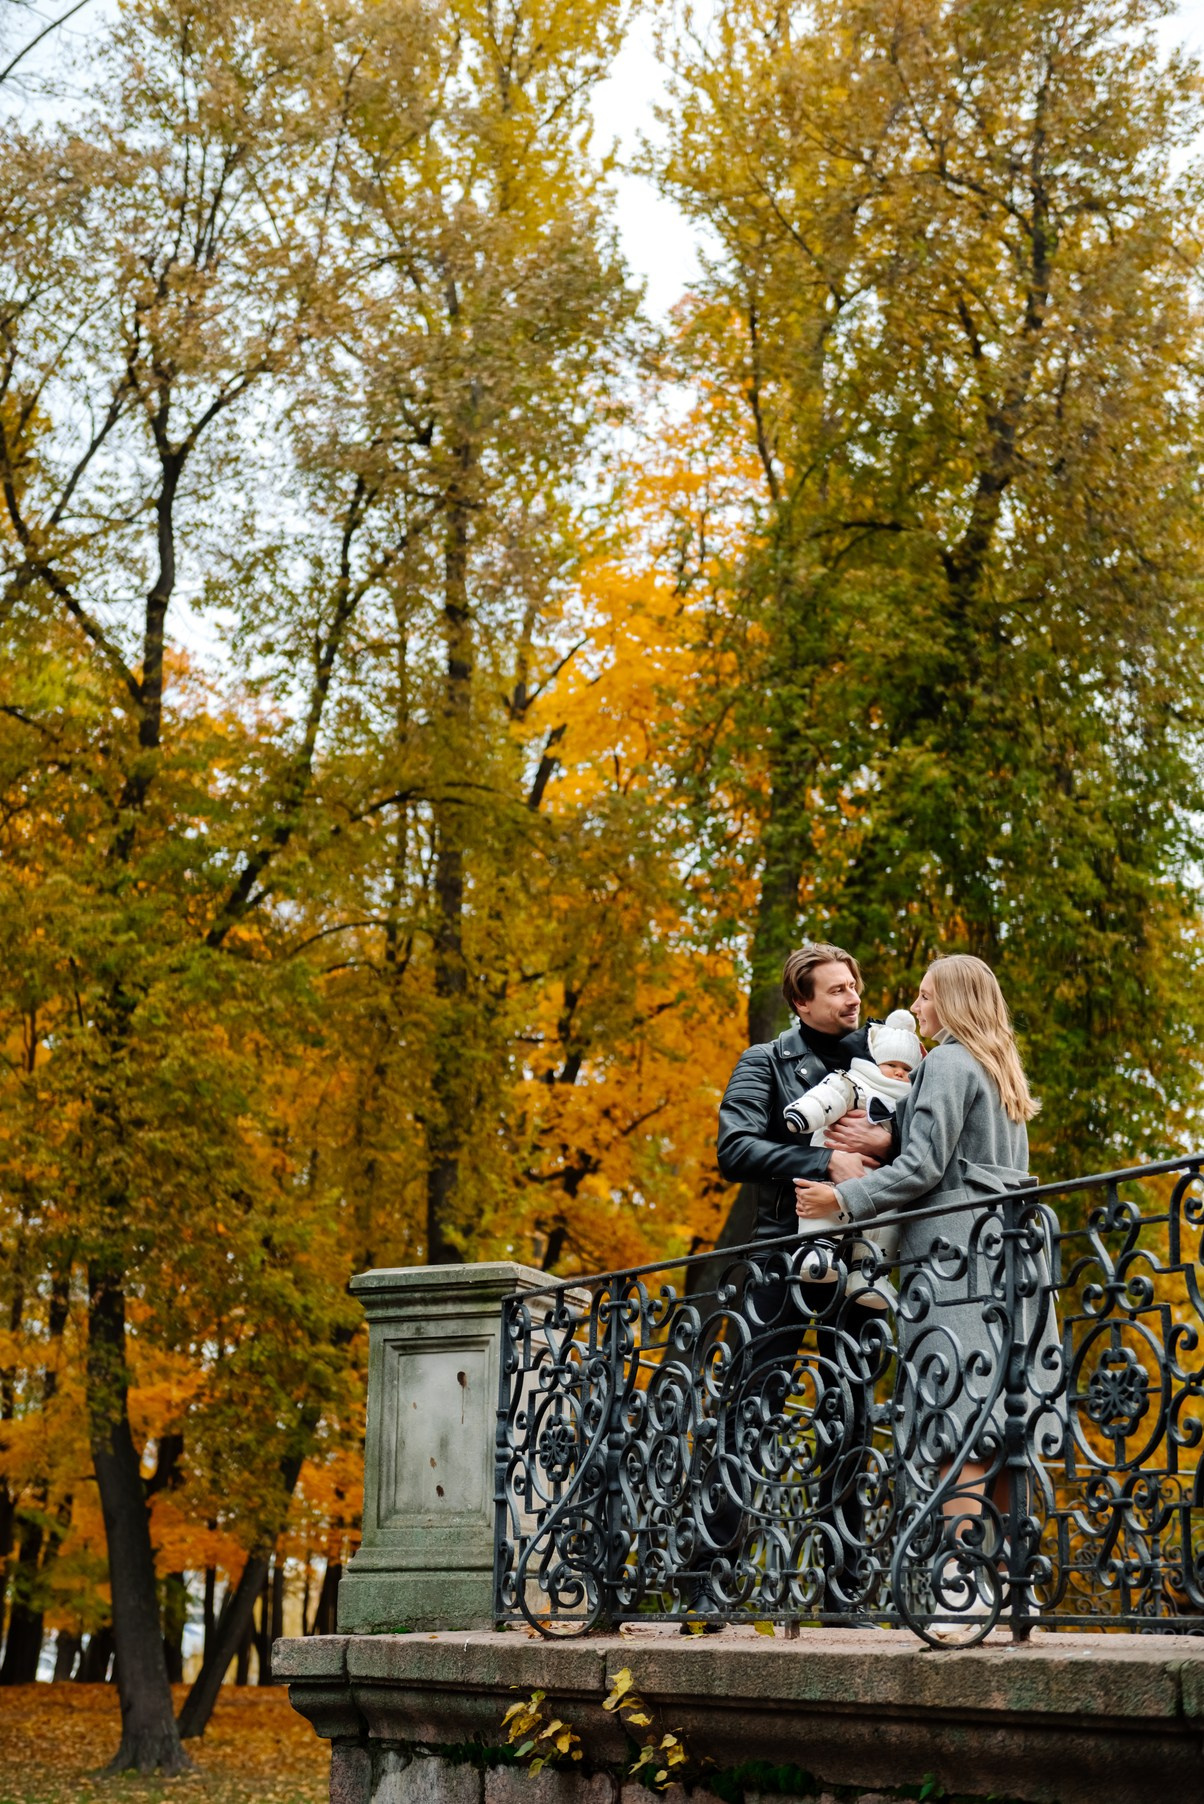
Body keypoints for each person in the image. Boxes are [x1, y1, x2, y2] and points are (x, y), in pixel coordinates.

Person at [794, 954, 1055, 1643]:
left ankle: (959, 1585)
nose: (915, 1007)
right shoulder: (1000, 1070)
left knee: (955, 1420)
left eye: (926, 995)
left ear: (956, 1000)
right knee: (1004, 1420)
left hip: (955, 1258)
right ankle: (1008, 1582)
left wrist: (841, 1200)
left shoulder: (947, 1062)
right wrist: (890, 1131)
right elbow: (952, 1151)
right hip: (1012, 1252)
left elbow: (923, 1168)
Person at [698, 943, 897, 1624]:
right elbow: (734, 1148)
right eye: (837, 989)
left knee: (852, 1418)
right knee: (750, 1410)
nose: (853, 997)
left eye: (855, 984)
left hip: (861, 1258)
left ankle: (845, 1595)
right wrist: (823, 1161)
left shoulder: (888, 1058)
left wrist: (877, 1148)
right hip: (783, 1255)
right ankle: (707, 1582)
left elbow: (919, 1145)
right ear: (801, 1002)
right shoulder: (766, 1061)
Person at [784, 1008, 923, 1300]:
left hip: (881, 1185)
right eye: (891, 1064)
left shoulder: (913, 1104)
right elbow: (829, 1096)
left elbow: (922, 1148)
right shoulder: (853, 1081)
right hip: (835, 1171)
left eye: (907, 1068)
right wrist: (804, 1113)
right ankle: (818, 1251)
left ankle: (869, 1275)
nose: (899, 1072)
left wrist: (890, 1143)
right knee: (825, 1211)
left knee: (886, 1225)